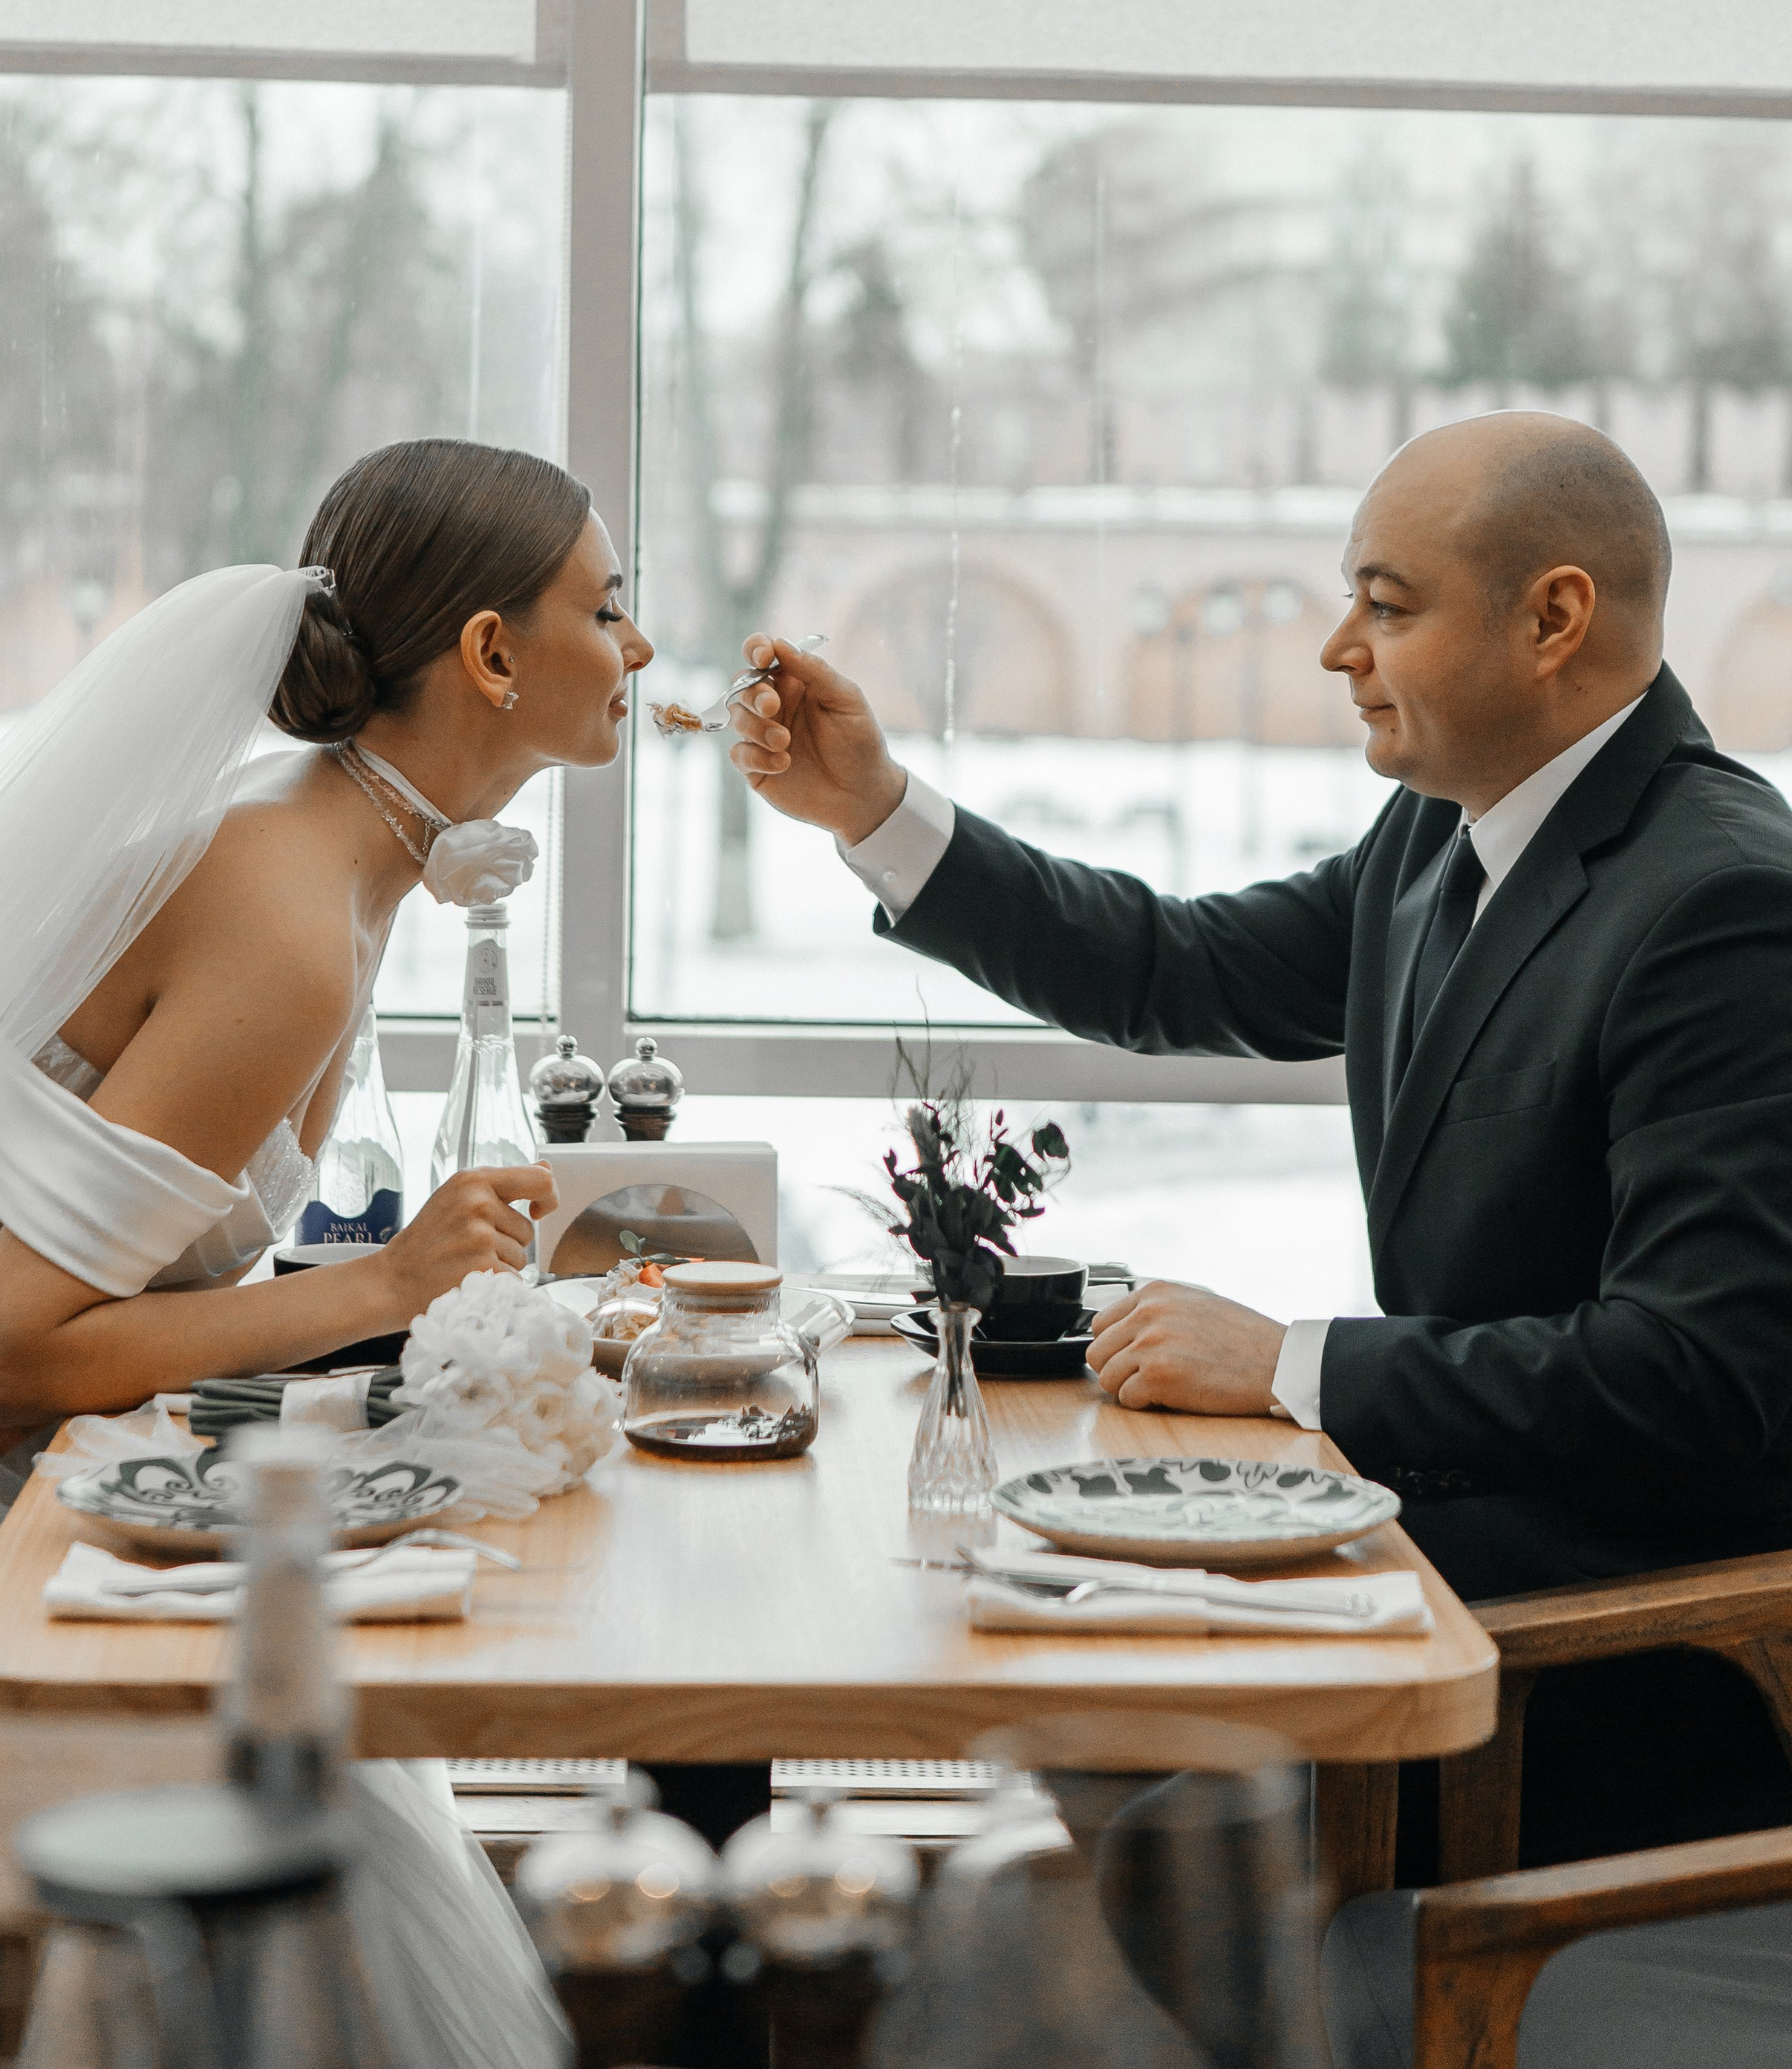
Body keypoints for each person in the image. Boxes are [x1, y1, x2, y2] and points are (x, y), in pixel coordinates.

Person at [0, 434, 654, 2069]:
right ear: (487, 654)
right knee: (345, 1785)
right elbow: (0, 1363)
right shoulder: (288, 908)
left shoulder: (317, 852)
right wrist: (385, 1291)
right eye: (609, 610)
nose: (639, 654)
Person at [729, 412, 1792, 1614]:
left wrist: (1290, 1363)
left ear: (1553, 621)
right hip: (1431, 1545)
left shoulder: (1727, 905)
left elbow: (1698, 1374)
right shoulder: (1443, 827)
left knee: (1078, 1677)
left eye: (1388, 608)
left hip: (1591, 1636)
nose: (1339, 649)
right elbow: (1175, 968)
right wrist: (874, 810)